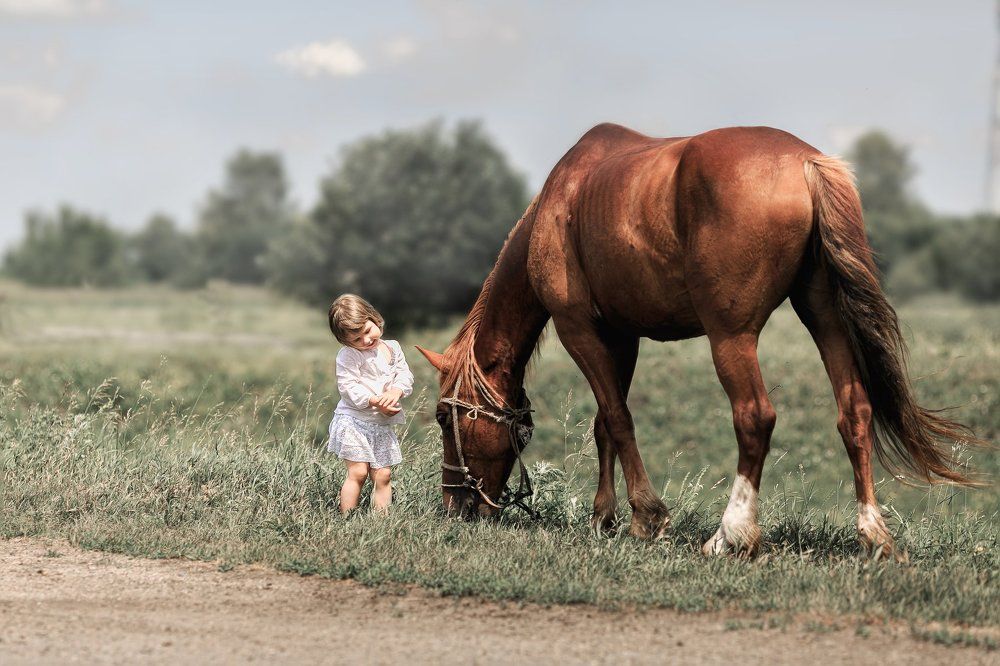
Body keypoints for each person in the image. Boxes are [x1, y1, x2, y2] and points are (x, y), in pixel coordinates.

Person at [327, 294, 413, 514]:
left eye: (367, 331)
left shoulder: (392, 348)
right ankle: (347, 517)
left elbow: (404, 375)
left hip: (380, 424)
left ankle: (380, 521)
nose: (365, 341)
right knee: (358, 472)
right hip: (354, 421)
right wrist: (375, 400)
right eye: (356, 339)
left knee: (383, 475)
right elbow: (348, 387)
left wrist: (396, 391)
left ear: (374, 318)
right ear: (346, 341)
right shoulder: (349, 355)